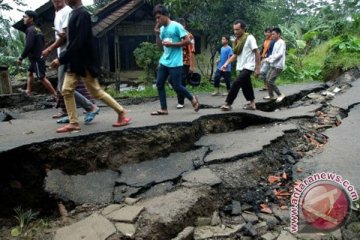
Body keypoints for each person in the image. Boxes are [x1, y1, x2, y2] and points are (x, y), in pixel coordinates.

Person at [50, 0, 131, 133]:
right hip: (74, 62)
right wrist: (65, 58)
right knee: (66, 90)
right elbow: (72, 41)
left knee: (96, 92)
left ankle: (121, 113)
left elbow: (79, 41)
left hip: (84, 62)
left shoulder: (83, 14)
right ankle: (74, 123)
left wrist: (61, 59)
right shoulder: (73, 13)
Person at [42, 0, 99, 125]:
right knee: (65, 88)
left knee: (66, 88)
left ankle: (89, 108)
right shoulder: (58, 13)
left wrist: (51, 50)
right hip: (64, 55)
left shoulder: (69, 12)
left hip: (68, 55)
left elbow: (68, 37)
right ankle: (72, 114)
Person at [151, 4, 200, 115]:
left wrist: (173, 44)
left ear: (166, 15)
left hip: (176, 62)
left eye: (159, 17)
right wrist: (157, 34)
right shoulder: (162, 29)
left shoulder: (176, 26)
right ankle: (163, 109)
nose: (157, 20)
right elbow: (160, 46)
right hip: (164, 61)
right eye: (156, 18)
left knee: (177, 85)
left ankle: (192, 98)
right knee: (159, 84)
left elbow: (187, 41)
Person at [220, 19, 260, 111]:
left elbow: (257, 52)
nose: (235, 32)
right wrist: (226, 64)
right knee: (246, 85)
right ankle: (252, 104)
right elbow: (235, 55)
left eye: (237, 29)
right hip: (241, 66)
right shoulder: (237, 40)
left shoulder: (249, 38)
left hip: (249, 66)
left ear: (243, 29)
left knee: (236, 82)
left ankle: (228, 103)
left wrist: (257, 68)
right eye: (234, 29)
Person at [16, 10, 57, 98]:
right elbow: (42, 43)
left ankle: (55, 95)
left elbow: (29, 45)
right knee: (30, 73)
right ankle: (28, 91)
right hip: (38, 57)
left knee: (41, 77)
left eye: (25, 17)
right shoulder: (38, 29)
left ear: (31, 19)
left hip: (36, 58)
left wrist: (21, 57)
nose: (23, 18)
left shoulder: (30, 30)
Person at [174, 17, 196, 109]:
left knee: (181, 81)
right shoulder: (175, 35)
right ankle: (186, 95)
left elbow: (191, 52)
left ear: (183, 25)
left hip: (185, 62)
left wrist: (192, 65)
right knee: (172, 80)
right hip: (175, 62)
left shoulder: (188, 35)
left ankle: (181, 101)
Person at [263, 27, 286, 102]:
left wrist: (270, 60)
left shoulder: (281, 42)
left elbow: (280, 54)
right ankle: (271, 95)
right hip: (273, 65)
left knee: (270, 81)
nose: (272, 36)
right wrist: (268, 59)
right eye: (271, 34)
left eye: (273, 34)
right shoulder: (275, 43)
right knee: (267, 78)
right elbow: (273, 54)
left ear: (278, 34)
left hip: (278, 65)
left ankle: (280, 94)